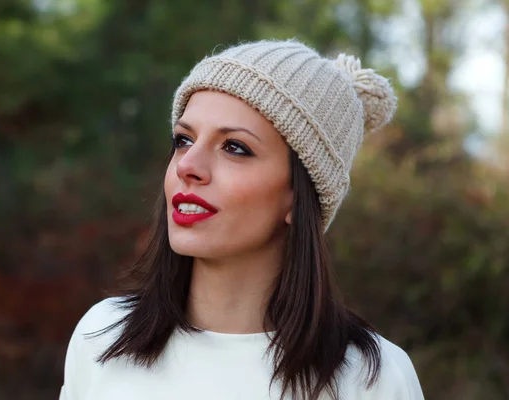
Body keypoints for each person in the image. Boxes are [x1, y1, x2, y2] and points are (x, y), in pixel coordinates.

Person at [59, 39, 424, 400]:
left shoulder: (371, 380)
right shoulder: (102, 337)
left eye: (235, 147)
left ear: (299, 197)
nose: (187, 166)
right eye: (183, 140)